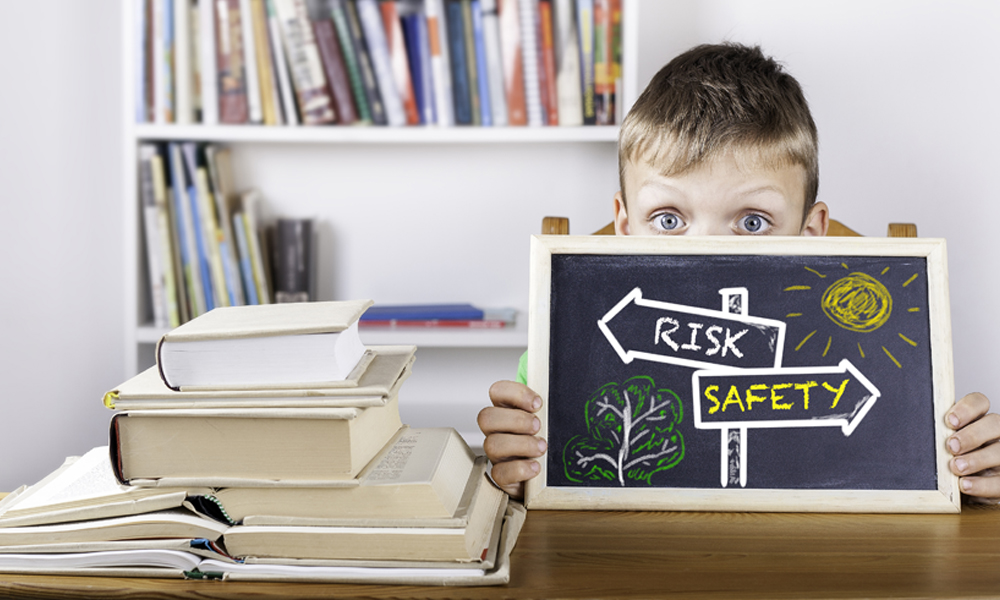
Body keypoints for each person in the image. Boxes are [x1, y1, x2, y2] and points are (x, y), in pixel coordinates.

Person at [478, 42, 1000, 502]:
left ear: (811, 230)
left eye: (752, 222)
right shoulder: (569, 353)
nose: (708, 253)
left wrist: (971, 464)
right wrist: (518, 465)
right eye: (668, 219)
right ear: (623, 223)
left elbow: (911, 465)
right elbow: (532, 479)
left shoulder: (875, 356)